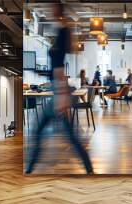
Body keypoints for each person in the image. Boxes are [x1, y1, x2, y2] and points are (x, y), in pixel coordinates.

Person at [25, 4, 93, 174]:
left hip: (59, 90)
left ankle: (30, 168)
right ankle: (30, 168)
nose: (49, 11)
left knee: (60, 135)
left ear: (58, 11)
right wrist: (37, 70)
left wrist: (62, 96)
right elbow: (55, 68)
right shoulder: (60, 32)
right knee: (54, 134)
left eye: (52, 8)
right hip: (58, 89)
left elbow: (60, 69)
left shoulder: (63, 32)